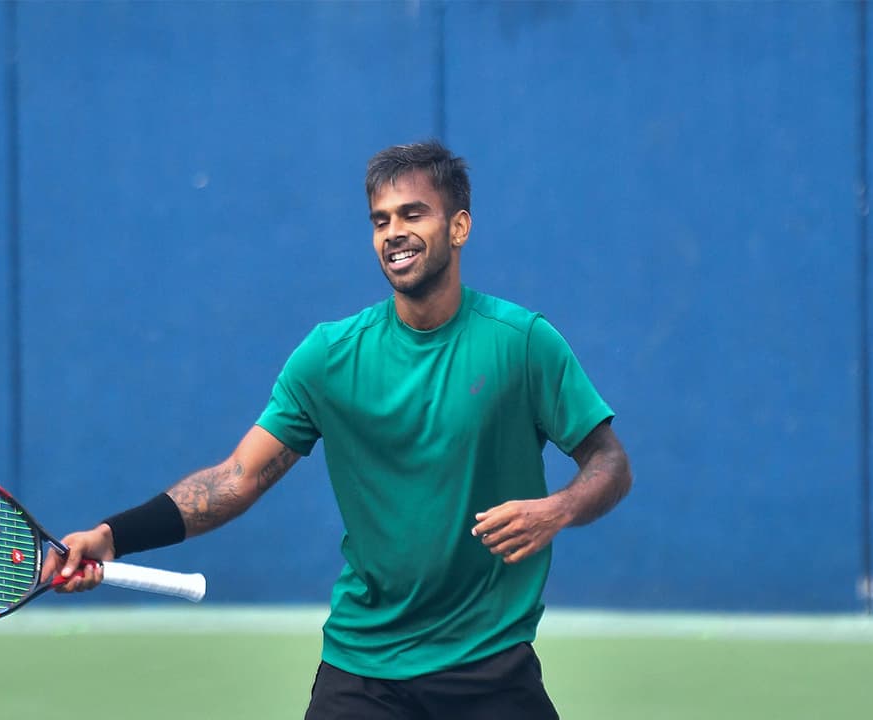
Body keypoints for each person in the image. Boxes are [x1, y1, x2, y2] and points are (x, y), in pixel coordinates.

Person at [44, 140, 632, 719]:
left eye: (413, 214)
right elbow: (237, 478)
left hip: (490, 663)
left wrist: (557, 509)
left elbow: (608, 462)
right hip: (365, 668)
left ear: (459, 228)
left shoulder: (523, 343)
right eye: (380, 220)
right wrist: (111, 535)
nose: (393, 232)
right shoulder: (330, 356)